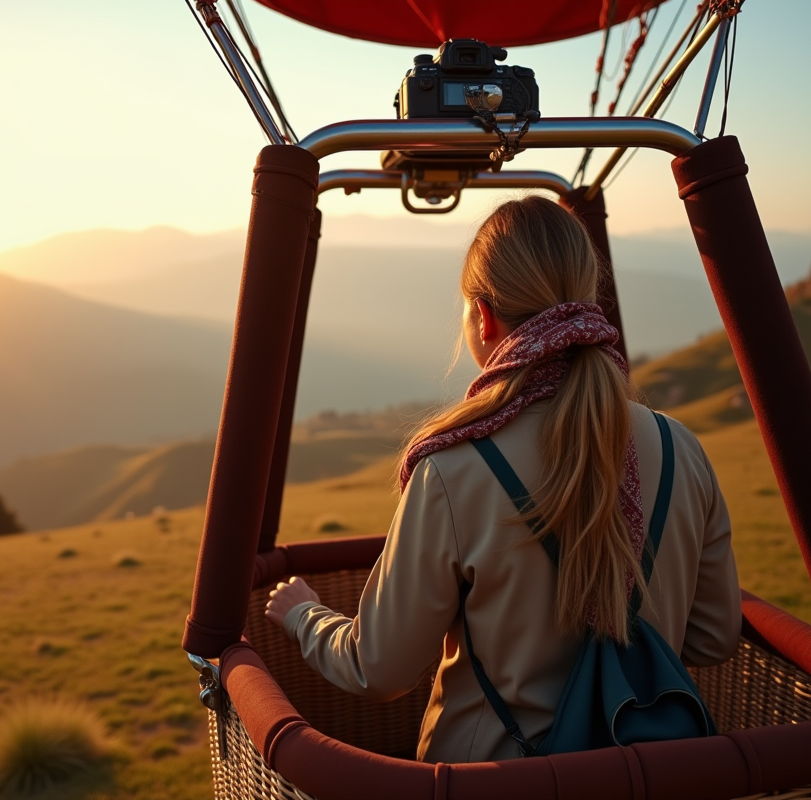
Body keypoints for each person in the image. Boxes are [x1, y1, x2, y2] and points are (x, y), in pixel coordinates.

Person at [264, 196, 740, 764]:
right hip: (649, 772)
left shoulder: (452, 469)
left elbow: (380, 669)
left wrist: (302, 614)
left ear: (483, 317)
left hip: (491, 776)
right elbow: (713, 636)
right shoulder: (679, 445)